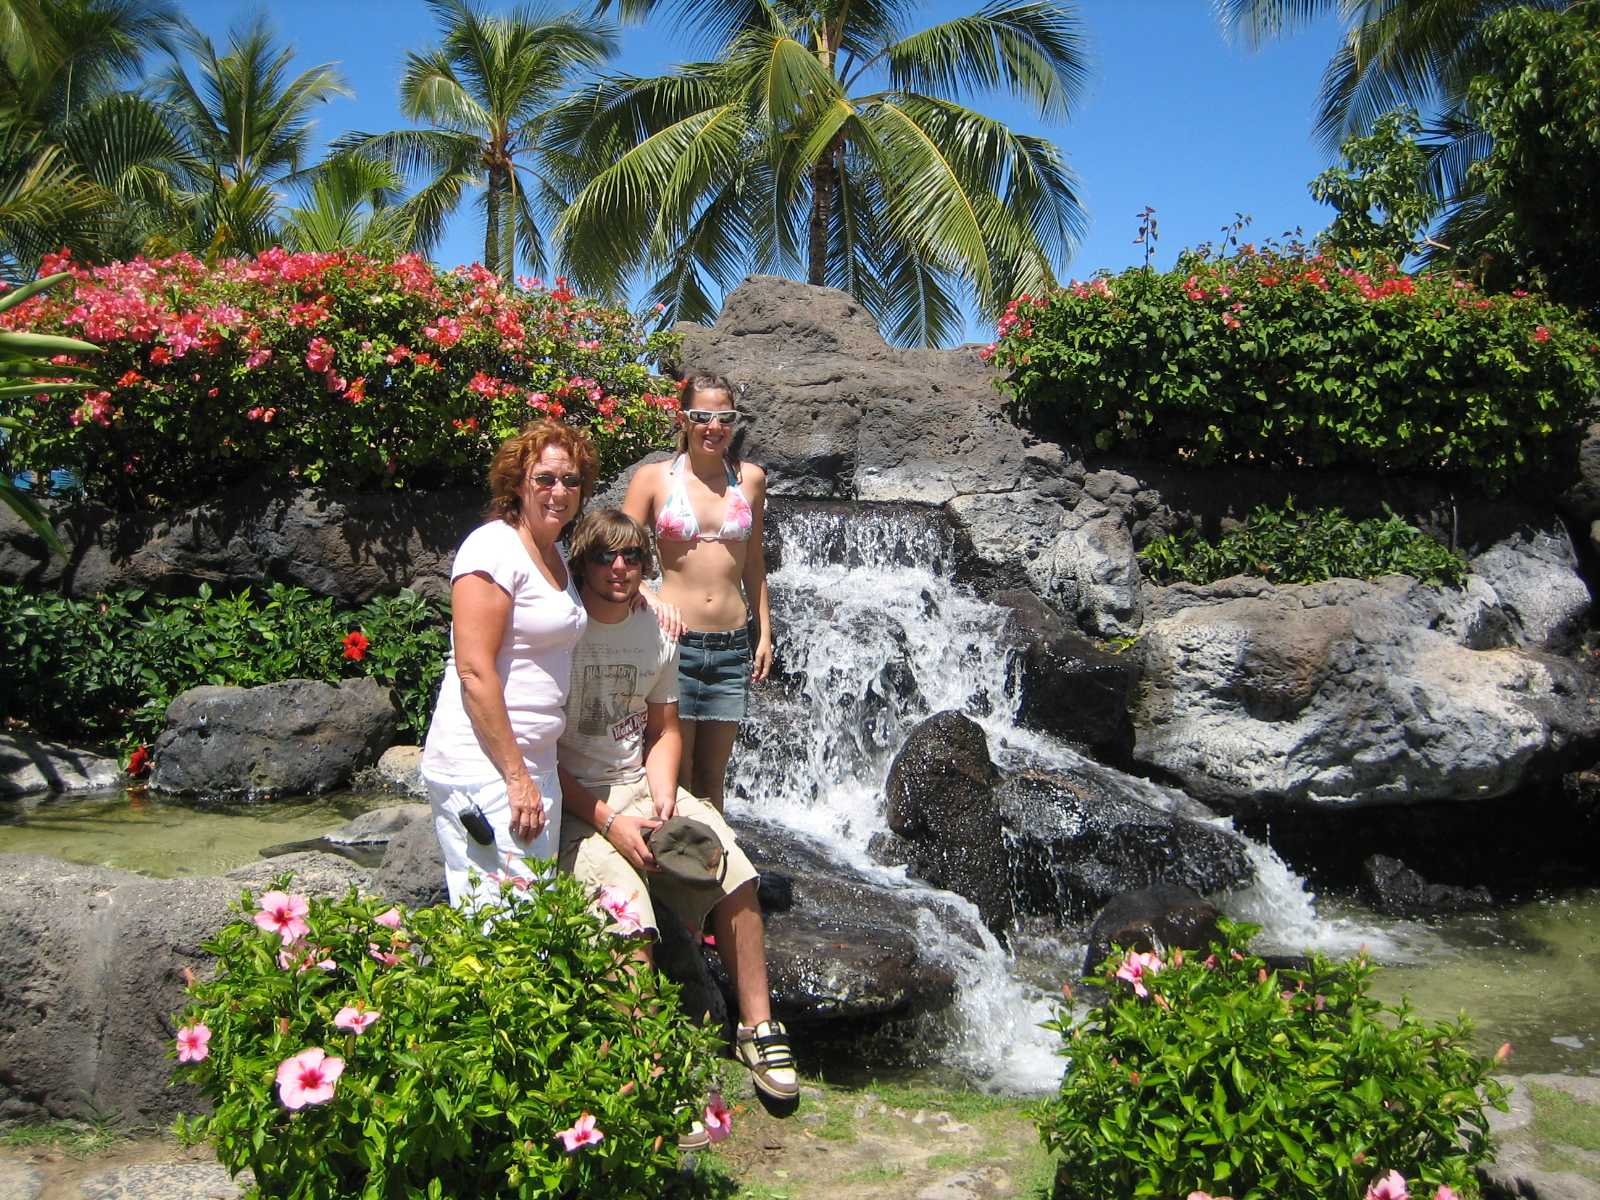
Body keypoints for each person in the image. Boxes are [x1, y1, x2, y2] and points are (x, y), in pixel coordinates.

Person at [557, 508, 799, 1118]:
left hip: (640, 785)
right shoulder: (559, 629)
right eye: (603, 557)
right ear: (580, 565)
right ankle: (648, 1065)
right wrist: (609, 821)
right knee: (628, 911)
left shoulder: (658, 629)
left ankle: (758, 1029)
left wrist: (665, 794)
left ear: (645, 566)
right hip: (574, 802)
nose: (618, 568)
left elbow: (665, 729)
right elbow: (537, 754)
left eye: (631, 557)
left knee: (736, 870)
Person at [419, 419, 595, 908]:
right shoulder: (492, 548)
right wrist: (516, 778)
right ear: (517, 482)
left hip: (535, 766)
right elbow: (474, 671)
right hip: (488, 768)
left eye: (571, 480)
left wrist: (645, 591)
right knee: (497, 927)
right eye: (545, 478)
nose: (559, 491)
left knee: (529, 921)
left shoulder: (554, 549)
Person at [623, 373, 769, 810]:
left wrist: (765, 632)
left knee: (712, 775)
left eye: (724, 417)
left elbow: (755, 562)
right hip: (673, 642)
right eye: (702, 416)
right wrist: (648, 596)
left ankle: (711, 873)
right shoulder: (653, 479)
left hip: (731, 644)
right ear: (683, 418)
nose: (714, 427)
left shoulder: (751, 480)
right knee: (677, 770)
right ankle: (671, 871)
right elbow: (618, 551)